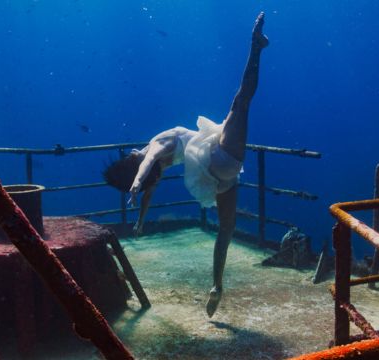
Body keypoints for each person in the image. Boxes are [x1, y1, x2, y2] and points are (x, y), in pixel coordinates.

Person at [104, 12, 269, 317]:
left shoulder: (159, 168)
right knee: (241, 99)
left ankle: (217, 285)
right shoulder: (153, 150)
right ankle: (255, 46)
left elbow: (150, 186)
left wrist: (140, 218)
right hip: (214, 155)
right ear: (130, 157)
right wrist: (137, 182)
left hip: (220, 173)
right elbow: (149, 159)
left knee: (226, 229)